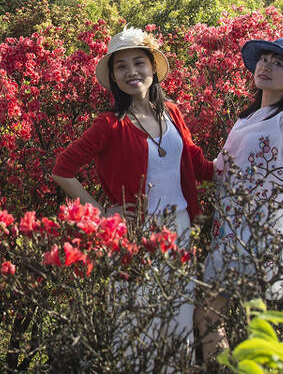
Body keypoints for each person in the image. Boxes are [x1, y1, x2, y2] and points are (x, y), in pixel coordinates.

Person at [52, 27, 213, 355]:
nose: (131, 72)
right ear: (113, 77)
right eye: (121, 66)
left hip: (180, 229)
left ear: (153, 67)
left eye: (138, 62)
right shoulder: (110, 124)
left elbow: (197, 165)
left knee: (178, 318)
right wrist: (102, 212)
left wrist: (245, 156)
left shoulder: (172, 113)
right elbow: (62, 170)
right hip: (136, 232)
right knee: (137, 322)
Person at [198, 37, 283, 358]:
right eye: (264, 59)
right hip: (231, 233)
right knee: (213, 317)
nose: (266, 66)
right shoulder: (245, 119)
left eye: (278, 63)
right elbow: (220, 171)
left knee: (251, 324)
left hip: (262, 236)